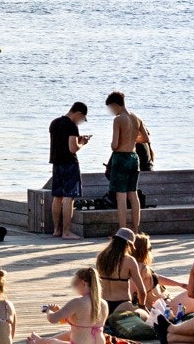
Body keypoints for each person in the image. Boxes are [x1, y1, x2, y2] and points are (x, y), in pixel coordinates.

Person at [27, 267, 106, 344]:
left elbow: (53, 319)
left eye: (75, 283)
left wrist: (48, 310)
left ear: (83, 283)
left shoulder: (77, 302)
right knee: (69, 333)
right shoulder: (104, 304)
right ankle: (40, 341)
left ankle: (38, 342)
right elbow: (82, 321)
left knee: (51, 342)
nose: (74, 287)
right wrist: (60, 310)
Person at [104, 92, 146, 233]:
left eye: (111, 108)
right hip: (134, 157)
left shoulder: (118, 119)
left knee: (121, 196)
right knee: (133, 194)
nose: (112, 111)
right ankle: (136, 229)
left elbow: (115, 145)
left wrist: (114, 144)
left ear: (116, 105)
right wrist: (132, 139)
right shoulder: (137, 117)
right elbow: (145, 138)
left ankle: (122, 230)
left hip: (121, 158)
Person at [50, 102, 91, 240]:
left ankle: (56, 230)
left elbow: (61, 142)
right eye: (82, 119)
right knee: (69, 197)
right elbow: (72, 148)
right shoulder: (71, 125)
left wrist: (77, 140)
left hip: (56, 163)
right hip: (69, 163)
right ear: (78, 113)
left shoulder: (54, 123)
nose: (80, 122)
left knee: (58, 196)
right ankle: (67, 232)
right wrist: (83, 143)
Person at [94, 228, 149, 316]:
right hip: (122, 305)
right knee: (146, 317)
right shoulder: (129, 260)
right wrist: (142, 306)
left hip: (102, 304)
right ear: (129, 244)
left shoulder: (101, 256)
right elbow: (142, 291)